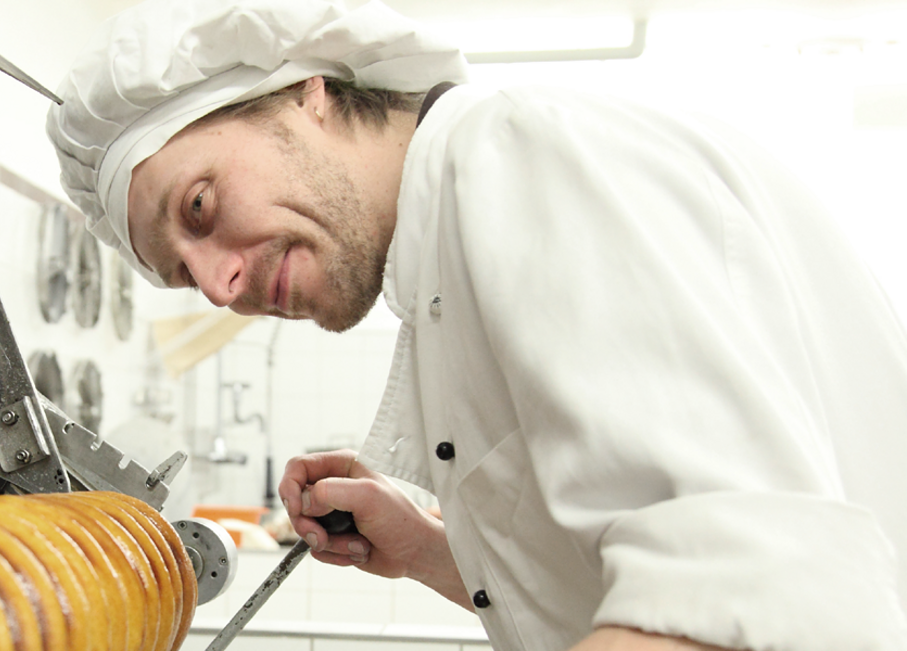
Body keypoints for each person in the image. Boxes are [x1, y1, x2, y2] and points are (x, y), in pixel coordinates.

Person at [46, 0, 907, 649]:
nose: (220, 282)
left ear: (302, 94)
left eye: (199, 206)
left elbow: (744, 595)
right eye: (184, 276)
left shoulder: (522, 159)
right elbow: (620, 578)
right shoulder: (445, 262)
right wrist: (426, 550)